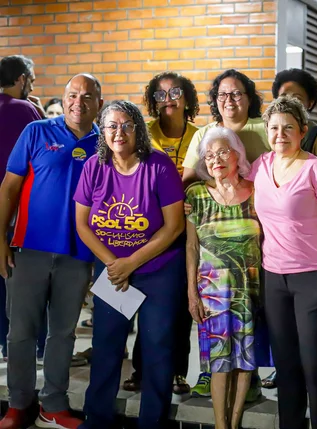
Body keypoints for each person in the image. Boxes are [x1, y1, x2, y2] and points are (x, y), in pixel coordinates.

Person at [0, 74, 103, 429]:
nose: (79, 101)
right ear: (64, 97)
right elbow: (9, 187)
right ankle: (18, 405)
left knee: (63, 333)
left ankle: (53, 405)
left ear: (99, 104)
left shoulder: (105, 142)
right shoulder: (37, 132)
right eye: (73, 95)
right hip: (28, 249)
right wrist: (0, 239)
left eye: (88, 96)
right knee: (21, 332)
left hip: (78, 255)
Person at [75, 101, 185, 429]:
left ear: (138, 129)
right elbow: (82, 224)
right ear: (102, 131)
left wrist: (132, 262)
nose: (118, 132)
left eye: (126, 125)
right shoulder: (94, 166)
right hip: (113, 272)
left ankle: (151, 422)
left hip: (159, 271)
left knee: (157, 348)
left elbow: (174, 226)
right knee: (107, 345)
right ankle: (97, 420)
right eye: (111, 125)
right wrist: (114, 265)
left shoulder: (159, 166)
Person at [250, 96, 317, 429]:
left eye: (288, 127)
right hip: (274, 278)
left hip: (312, 278)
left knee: (314, 365)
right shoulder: (259, 166)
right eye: (274, 128)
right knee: (286, 366)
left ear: (302, 130)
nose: (280, 134)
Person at [119, 72, 200, 396]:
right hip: (143, 230)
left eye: (175, 92)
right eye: (160, 94)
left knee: (180, 305)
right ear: (151, 102)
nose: (168, 99)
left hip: (184, 230)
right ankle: (141, 371)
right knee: (141, 306)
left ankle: (177, 371)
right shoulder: (142, 133)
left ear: (187, 98)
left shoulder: (199, 135)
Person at [186, 126, 269, 429]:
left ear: (238, 155)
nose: (215, 159)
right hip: (212, 291)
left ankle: (235, 423)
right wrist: (192, 293)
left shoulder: (257, 191)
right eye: (209, 155)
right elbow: (191, 247)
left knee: (246, 359)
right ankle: (221, 425)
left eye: (222, 152)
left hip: (250, 287)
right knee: (220, 362)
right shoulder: (195, 196)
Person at [0, 54, 44, 364]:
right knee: (25, 284)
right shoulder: (25, 110)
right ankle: (31, 348)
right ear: (21, 80)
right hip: (16, 212)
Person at [182, 69, 270, 186]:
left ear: (249, 99)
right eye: (222, 95)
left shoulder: (268, 128)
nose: (229, 100)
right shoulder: (202, 135)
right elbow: (189, 182)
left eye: (236, 94)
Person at [272, 68, 317, 157]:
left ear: (310, 103)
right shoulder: (270, 131)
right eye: (283, 97)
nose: (289, 102)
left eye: (297, 98)